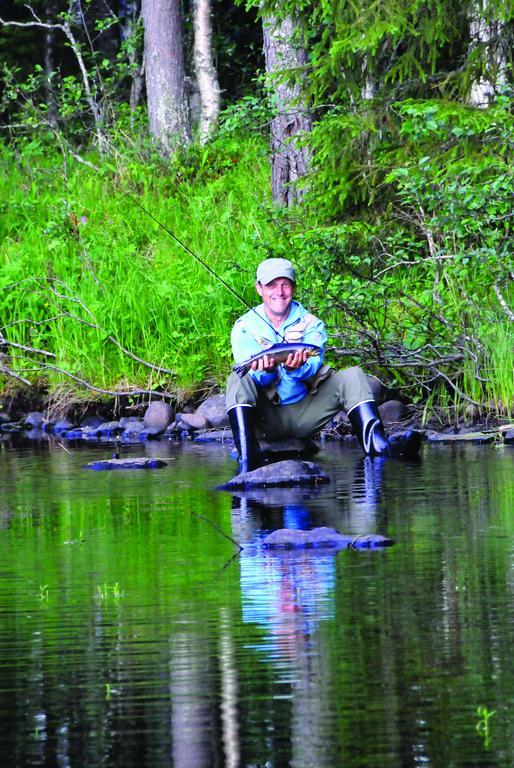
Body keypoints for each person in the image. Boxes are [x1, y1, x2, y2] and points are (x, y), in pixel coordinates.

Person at [226, 257, 421, 472]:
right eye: (271, 285)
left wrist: (294, 368)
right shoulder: (244, 327)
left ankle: (379, 447)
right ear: (259, 289)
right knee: (238, 378)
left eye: (285, 284)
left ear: (294, 287)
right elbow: (253, 381)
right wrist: (269, 369)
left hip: (307, 413)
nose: (279, 292)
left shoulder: (311, 324)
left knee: (354, 375)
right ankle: (247, 461)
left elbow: (313, 363)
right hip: (266, 419)